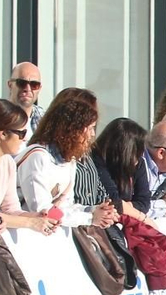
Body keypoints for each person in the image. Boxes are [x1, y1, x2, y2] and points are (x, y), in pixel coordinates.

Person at [16, 93, 119, 228]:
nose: (92, 134)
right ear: (72, 130)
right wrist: (90, 218)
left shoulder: (69, 160)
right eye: (89, 128)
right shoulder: (38, 157)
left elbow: (65, 206)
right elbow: (42, 211)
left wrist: (94, 210)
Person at [0, 100, 57, 233]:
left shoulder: (8, 163)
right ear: (3, 133)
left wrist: (38, 217)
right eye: (21, 133)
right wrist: (31, 222)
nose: (25, 138)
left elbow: (11, 209)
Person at [7, 61, 45, 133]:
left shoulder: (45, 121)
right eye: (22, 83)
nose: (28, 89)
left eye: (34, 85)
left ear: (39, 88)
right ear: (10, 85)